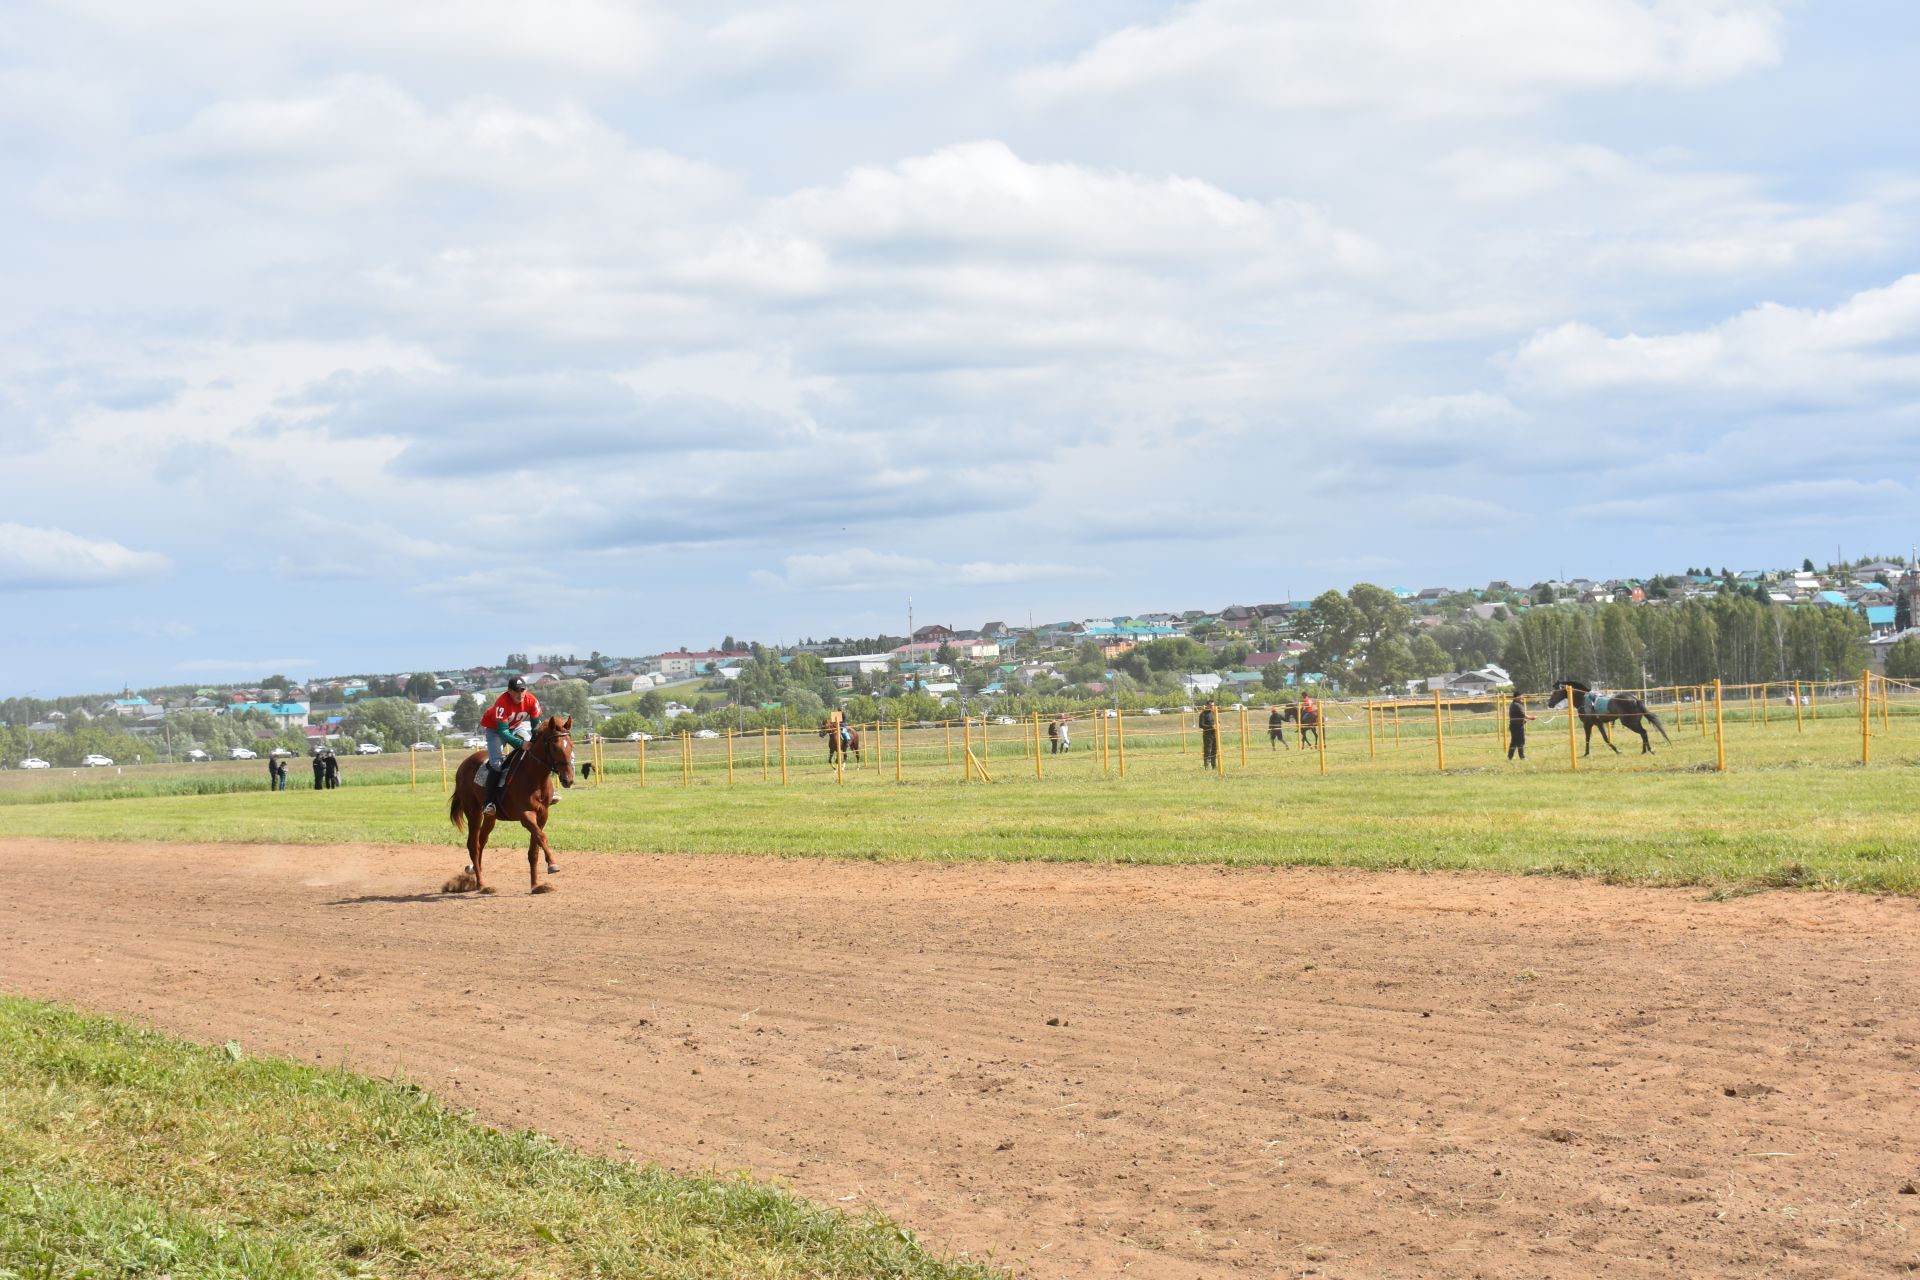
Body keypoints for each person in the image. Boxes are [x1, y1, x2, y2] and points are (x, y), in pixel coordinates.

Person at [480, 676, 542, 814]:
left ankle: (545, 791)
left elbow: (536, 726)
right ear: (509, 691)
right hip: (495, 731)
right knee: (497, 763)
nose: (520, 694)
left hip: (516, 727)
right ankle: (488, 802)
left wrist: (536, 739)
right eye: (516, 691)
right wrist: (521, 744)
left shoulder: (532, 701)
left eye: (522, 690)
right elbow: (503, 732)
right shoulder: (501, 703)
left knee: (535, 752)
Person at [1507, 693, 1535, 761]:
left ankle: (1510, 756)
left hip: (1514, 725)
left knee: (1514, 741)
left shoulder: (1514, 705)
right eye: (1520, 696)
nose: (1522, 697)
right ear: (1515, 698)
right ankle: (1522, 757)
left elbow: (1518, 716)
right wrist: (1531, 717)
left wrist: (1525, 720)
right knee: (1520, 741)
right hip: (1517, 727)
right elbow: (1523, 715)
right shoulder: (1517, 705)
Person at [1198, 700, 1220, 768]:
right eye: (1210, 705)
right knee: (1207, 750)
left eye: (1213, 705)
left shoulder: (1214, 713)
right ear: (1207, 705)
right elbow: (1201, 725)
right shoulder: (1203, 714)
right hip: (1207, 734)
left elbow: (1218, 721)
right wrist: (1211, 726)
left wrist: (1218, 724)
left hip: (1215, 734)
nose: (1212, 706)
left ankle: (1214, 765)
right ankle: (1206, 766)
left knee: (1214, 750)